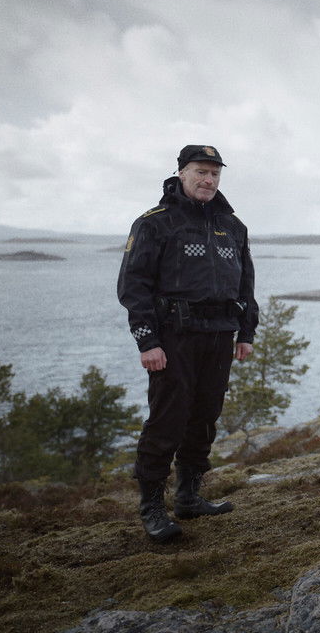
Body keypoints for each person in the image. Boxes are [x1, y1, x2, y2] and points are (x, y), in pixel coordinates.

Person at [118, 144, 258, 542]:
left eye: (215, 173)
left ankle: (189, 497)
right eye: (201, 172)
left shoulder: (233, 226)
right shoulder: (155, 223)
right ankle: (152, 507)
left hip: (219, 336)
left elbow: (246, 283)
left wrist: (246, 331)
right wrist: (147, 341)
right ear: (181, 173)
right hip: (174, 338)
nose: (208, 180)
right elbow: (133, 286)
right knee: (167, 421)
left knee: (205, 417)